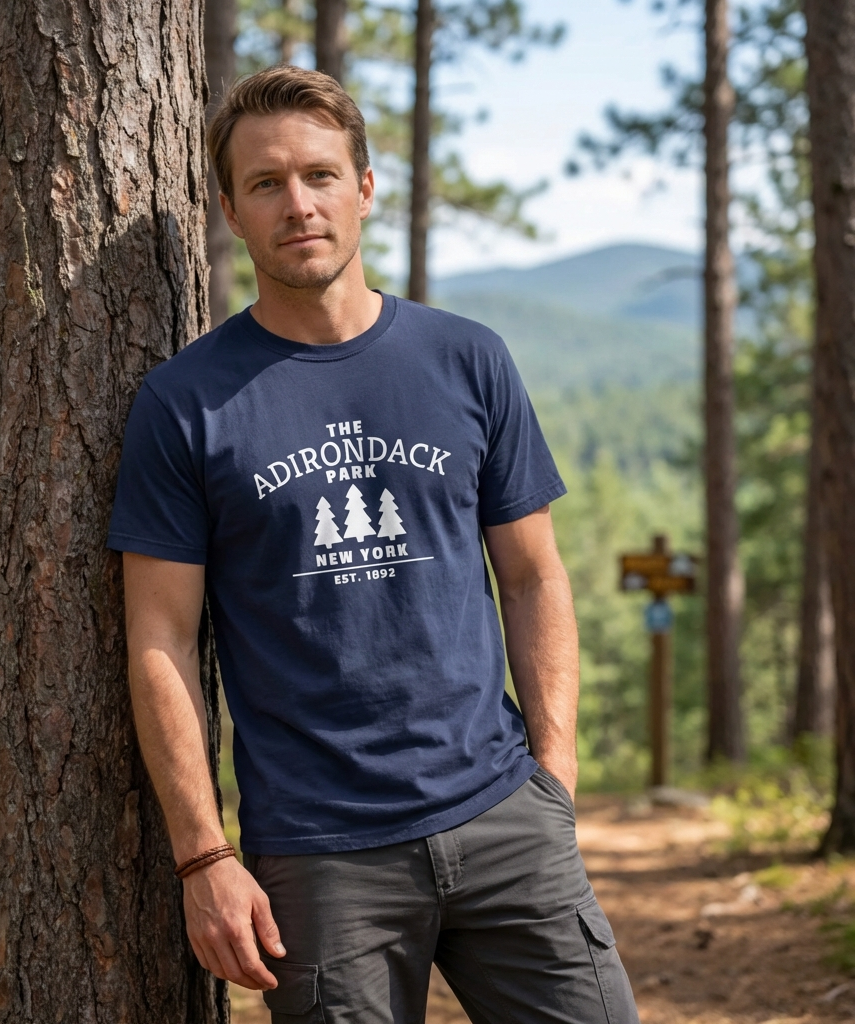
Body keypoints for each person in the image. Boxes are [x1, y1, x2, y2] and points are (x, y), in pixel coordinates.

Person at [107, 64, 639, 1024]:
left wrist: (553, 780)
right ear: (230, 209)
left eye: (318, 175)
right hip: (320, 860)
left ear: (364, 188)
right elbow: (160, 641)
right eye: (265, 183)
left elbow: (533, 576)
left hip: (505, 817)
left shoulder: (465, 357)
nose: (297, 204)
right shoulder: (184, 404)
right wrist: (203, 856)